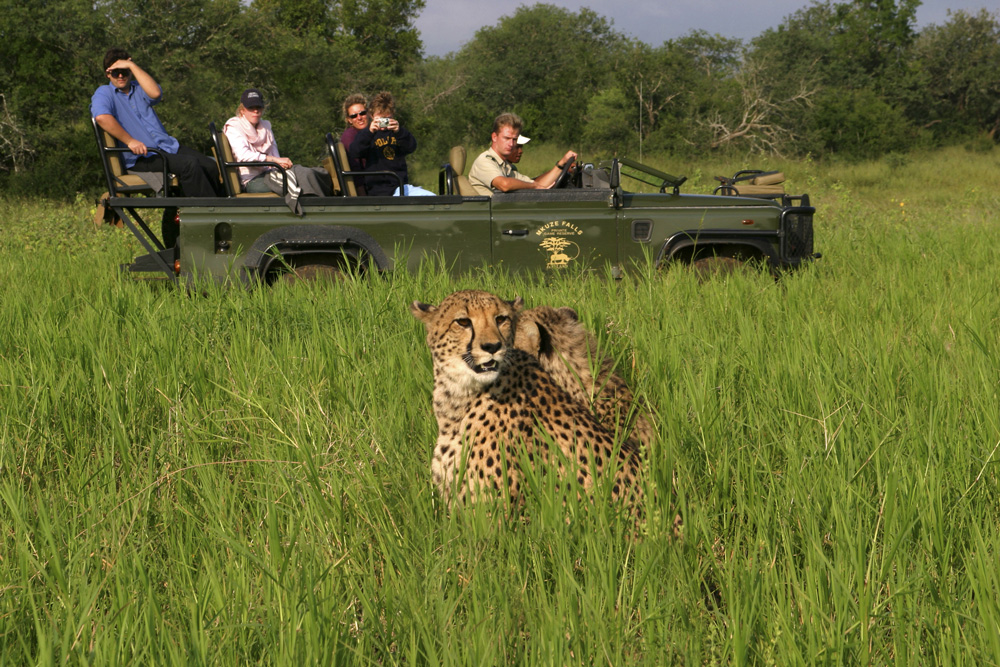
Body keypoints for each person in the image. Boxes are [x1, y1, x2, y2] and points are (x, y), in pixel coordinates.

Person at [91, 48, 222, 199]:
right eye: (115, 72)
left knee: (210, 166)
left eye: (125, 71)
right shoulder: (104, 92)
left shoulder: (139, 88)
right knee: (189, 165)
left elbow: (156, 93)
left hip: (166, 147)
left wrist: (132, 66)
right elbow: (101, 117)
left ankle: (208, 211)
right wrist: (130, 141)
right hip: (142, 157)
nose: (121, 76)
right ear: (108, 74)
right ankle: (207, 215)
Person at [223, 88, 332, 215]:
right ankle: (314, 213)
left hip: (271, 173)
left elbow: (276, 155)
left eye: (258, 106)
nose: (256, 111)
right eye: (251, 107)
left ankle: (321, 208)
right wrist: (274, 160)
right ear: (242, 110)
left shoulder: (266, 127)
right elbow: (243, 156)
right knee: (301, 178)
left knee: (308, 172)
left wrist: (281, 164)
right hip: (252, 180)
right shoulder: (234, 126)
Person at [347, 91, 434, 196]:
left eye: (387, 119)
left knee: (431, 197)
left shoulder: (397, 133)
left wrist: (399, 131)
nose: (383, 122)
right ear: (371, 116)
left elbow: (411, 147)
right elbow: (355, 152)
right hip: (378, 190)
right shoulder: (367, 134)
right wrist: (369, 132)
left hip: (400, 186)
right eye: (380, 119)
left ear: (392, 116)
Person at [468, 113, 577, 196]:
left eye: (514, 139)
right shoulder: (485, 161)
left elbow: (540, 185)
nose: (511, 144)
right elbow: (504, 185)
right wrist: (534, 186)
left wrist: (561, 164)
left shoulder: (506, 166)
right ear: (494, 137)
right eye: (506, 138)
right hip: (493, 218)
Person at [340, 93, 369, 173]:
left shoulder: (376, 130)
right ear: (349, 120)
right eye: (354, 116)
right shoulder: (349, 136)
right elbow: (354, 166)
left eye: (362, 113)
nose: (359, 118)